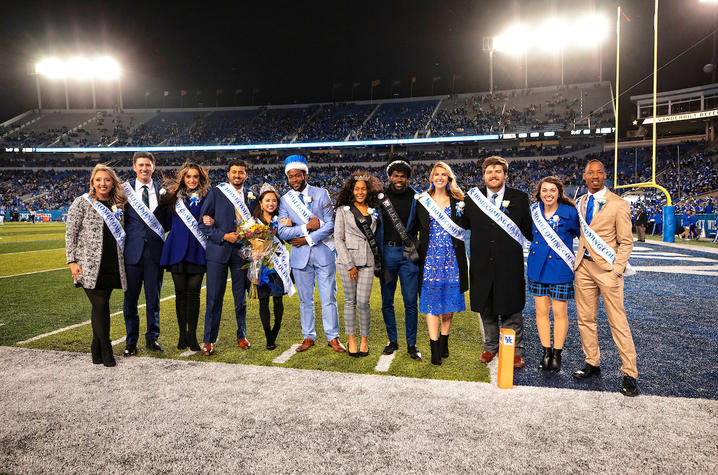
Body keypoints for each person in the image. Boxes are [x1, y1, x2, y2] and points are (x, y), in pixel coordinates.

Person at [573, 160, 639, 397]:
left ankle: (629, 373)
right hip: (583, 268)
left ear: (604, 176)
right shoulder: (580, 202)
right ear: (584, 176)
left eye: (599, 172)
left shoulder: (619, 204)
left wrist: (618, 269)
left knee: (618, 322)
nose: (595, 176)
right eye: (590, 172)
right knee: (585, 320)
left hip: (608, 270)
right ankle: (592, 362)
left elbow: (626, 241)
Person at [463, 156, 532, 368]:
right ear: (483, 176)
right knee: (487, 307)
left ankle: (515, 350)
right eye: (489, 172)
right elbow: (462, 225)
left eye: (498, 171)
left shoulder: (520, 198)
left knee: (511, 308)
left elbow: (529, 230)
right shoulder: (471, 199)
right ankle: (490, 347)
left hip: (509, 264)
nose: (493, 175)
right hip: (482, 264)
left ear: (505, 175)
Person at [277, 155, 344, 353]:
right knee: (305, 300)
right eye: (291, 177)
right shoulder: (285, 201)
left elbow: (330, 225)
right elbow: (282, 231)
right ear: (287, 178)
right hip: (300, 257)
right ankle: (308, 336)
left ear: (305, 174)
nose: (295, 180)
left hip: (323, 253)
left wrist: (307, 238)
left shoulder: (322, 193)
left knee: (328, 297)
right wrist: (306, 227)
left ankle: (333, 337)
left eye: (298, 175)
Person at [66, 164, 128, 367]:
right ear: (92, 182)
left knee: (101, 306)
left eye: (107, 180)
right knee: (100, 305)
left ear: (113, 183)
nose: (103, 183)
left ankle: (96, 348)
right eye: (99, 179)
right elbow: (71, 234)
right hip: (88, 265)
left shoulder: (118, 204)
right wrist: (72, 261)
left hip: (112, 262)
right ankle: (106, 349)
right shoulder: (81, 203)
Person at [198, 159, 256, 355]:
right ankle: (208, 339)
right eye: (234, 172)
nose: (237, 175)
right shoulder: (216, 193)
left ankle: (242, 335)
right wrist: (223, 235)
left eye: (241, 172)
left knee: (240, 297)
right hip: (218, 250)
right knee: (214, 297)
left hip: (242, 252)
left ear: (246, 175)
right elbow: (203, 224)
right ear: (228, 174)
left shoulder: (252, 196)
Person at [415, 162, 468, 365]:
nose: (439, 177)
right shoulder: (422, 201)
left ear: (449, 178)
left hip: (452, 258)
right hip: (429, 258)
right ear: (431, 178)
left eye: (443, 174)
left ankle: (444, 340)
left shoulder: (458, 201)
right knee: (431, 302)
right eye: (436, 174)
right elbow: (412, 226)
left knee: (448, 301)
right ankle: (434, 346)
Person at [527, 176, 580, 373]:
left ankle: (557, 354)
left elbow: (582, 236)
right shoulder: (533, 211)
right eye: (544, 190)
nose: (548, 194)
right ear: (539, 193)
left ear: (559, 192)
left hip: (560, 269)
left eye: (552, 190)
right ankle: (545, 352)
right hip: (537, 268)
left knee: (560, 314)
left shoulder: (570, 212)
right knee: (541, 313)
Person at [159, 161, 210, 352]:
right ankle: (182, 335)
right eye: (188, 176)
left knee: (194, 294)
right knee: (180, 294)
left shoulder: (207, 197)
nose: (191, 180)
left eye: (195, 177)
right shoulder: (172, 198)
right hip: (177, 249)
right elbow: (162, 220)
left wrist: (210, 221)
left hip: (197, 249)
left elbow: (211, 219)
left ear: (200, 178)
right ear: (183, 178)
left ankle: (192, 336)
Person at [121, 151, 169, 357]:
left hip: (155, 253)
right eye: (140, 165)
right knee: (130, 300)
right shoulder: (123, 191)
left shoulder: (163, 191)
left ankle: (152, 338)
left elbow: (167, 221)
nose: (144, 169)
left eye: (147, 165)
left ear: (153, 166)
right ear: (134, 167)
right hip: (131, 253)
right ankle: (131, 341)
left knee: (153, 299)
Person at [376, 157, 422, 361]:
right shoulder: (378, 198)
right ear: (389, 177)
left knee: (411, 302)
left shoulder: (417, 198)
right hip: (386, 254)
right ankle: (392, 340)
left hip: (407, 254)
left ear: (408, 179)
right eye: (396, 176)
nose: (399, 179)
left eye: (403, 176)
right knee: (387, 301)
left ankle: (411, 344)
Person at [334, 170, 384, 357]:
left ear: (368, 190)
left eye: (363, 189)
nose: (360, 192)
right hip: (348, 263)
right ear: (351, 190)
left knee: (363, 302)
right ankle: (351, 339)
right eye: (357, 189)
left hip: (368, 261)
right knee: (349, 301)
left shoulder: (373, 210)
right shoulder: (342, 211)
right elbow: (338, 239)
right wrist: (349, 265)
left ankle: (365, 340)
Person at [251, 183, 295, 350]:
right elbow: (249, 245)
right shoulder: (253, 223)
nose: (271, 203)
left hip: (278, 266)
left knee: (278, 300)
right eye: (267, 200)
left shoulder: (281, 220)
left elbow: (290, 238)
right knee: (263, 302)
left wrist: (289, 225)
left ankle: (275, 330)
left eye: (274, 201)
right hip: (261, 267)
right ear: (261, 202)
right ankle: (268, 335)